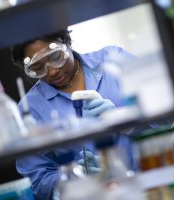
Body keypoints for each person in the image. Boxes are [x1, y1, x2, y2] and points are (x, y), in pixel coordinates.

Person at [11, 29, 142, 200]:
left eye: (55, 57)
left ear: (67, 41)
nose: (51, 72)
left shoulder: (113, 60)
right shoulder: (30, 110)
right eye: (38, 67)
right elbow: (37, 182)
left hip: (152, 181)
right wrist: (75, 177)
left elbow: (166, 108)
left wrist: (125, 118)